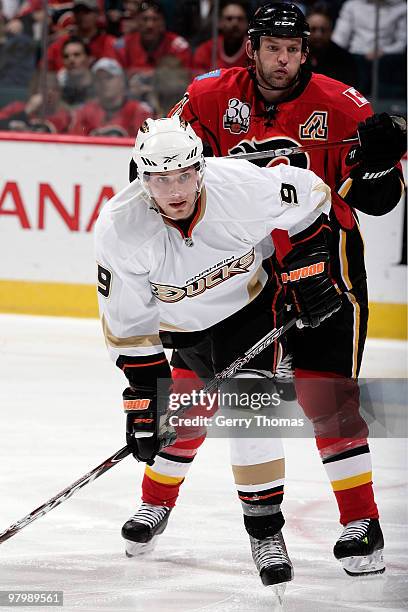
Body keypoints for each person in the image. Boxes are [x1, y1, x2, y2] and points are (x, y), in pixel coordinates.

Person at [127, 2, 406, 578]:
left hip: (326, 263)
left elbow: (377, 200)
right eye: (272, 49)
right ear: (251, 48)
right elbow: (155, 167)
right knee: (196, 388)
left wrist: (378, 163)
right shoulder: (208, 96)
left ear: (306, 51)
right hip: (241, 267)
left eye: (293, 49)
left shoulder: (340, 105)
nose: (282, 61)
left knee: (326, 394)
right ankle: (154, 505)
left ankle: (362, 524)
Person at [95, 114, 341, 587]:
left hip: (249, 310)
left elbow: (310, 195)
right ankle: (154, 505)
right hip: (182, 329)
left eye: (185, 174)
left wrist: (310, 266)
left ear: (201, 168)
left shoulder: (240, 187)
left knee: (251, 414)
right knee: (177, 420)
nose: (175, 190)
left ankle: (266, 532)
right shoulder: (119, 230)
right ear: (141, 178)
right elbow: (129, 327)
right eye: (161, 179)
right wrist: (144, 400)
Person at [332, 0, 407, 97]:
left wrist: (383, 51)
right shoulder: (352, 5)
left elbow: (402, 43)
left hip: (386, 60)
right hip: (356, 57)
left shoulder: (401, 7)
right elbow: (340, 39)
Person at [69, 57, 151, 136]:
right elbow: (74, 144)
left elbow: (147, 145)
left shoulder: (138, 112)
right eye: (99, 79)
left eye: (109, 77)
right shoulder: (84, 113)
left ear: (122, 80)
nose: (103, 83)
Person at [117, 0, 192, 75]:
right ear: (137, 21)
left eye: (155, 19)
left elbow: (185, 80)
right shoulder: (124, 44)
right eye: (144, 19)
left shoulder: (178, 46)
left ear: (163, 23)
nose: (149, 25)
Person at [46, 0, 118, 72]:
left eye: (86, 12)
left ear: (97, 14)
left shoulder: (111, 43)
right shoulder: (60, 44)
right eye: (78, 12)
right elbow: (43, 72)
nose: (81, 16)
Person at [306, 2, 358, 87]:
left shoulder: (345, 58)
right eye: (313, 29)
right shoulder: (295, 55)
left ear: (331, 31)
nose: (318, 35)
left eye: (323, 30)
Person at [193, 0, 250, 74]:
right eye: (229, 18)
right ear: (219, 22)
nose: (235, 23)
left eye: (240, 19)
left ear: (246, 23)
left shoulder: (254, 51)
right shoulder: (205, 50)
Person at [57, 37, 94, 108]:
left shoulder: (102, 89)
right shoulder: (59, 90)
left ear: (89, 59)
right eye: (66, 56)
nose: (71, 60)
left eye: (77, 55)